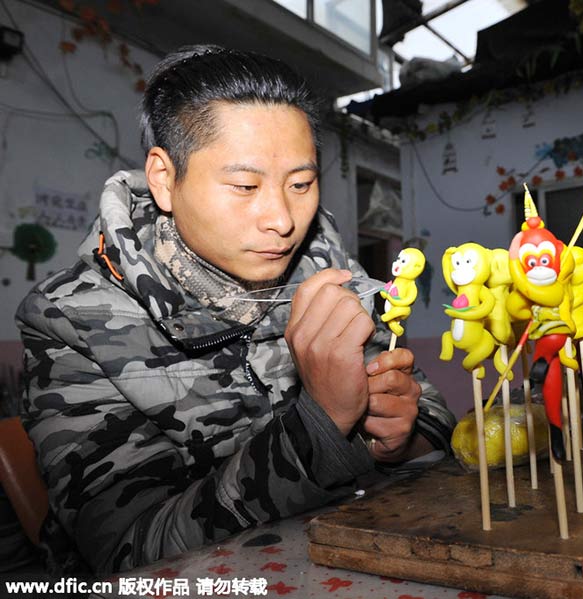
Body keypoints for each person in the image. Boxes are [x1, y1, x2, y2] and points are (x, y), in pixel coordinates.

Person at [14, 45, 455, 576]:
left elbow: (433, 411)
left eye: (301, 184)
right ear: (163, 179)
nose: (282, 219)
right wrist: (318, 425)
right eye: (245, 186)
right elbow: (130, 551)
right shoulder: (73, 319)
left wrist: (395, 438)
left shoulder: (327, 270)